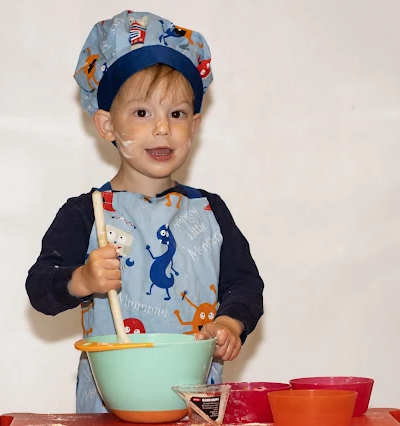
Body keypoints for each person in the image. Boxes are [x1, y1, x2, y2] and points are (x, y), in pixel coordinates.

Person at [25, 10, 264, 413]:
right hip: (109, 407)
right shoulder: (88, 213)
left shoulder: (210, 211)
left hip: (196, 406)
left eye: (177, 114)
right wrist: (81, 279)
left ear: (195, 125)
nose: (162, 128)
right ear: (107, 125)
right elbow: (40, 289)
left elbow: (245, 285)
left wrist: (229, 324)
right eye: (141, 113)